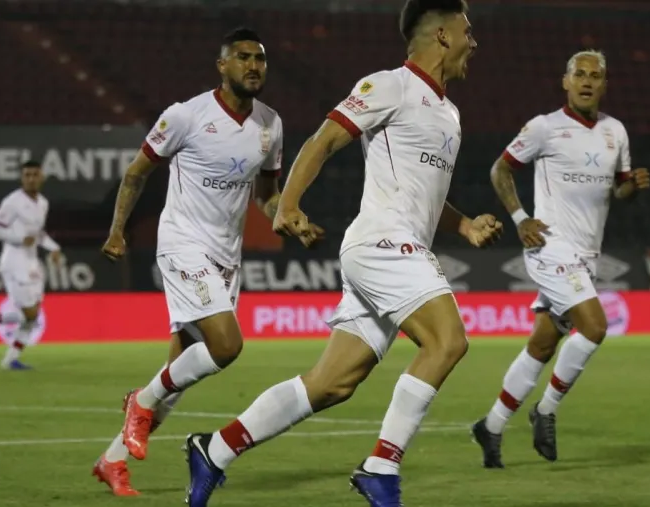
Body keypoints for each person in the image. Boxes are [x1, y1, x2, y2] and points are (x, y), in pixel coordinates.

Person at [180, 1, 501, 506]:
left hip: (400, 248)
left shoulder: (449, 113)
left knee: (331, 384)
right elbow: (325, 139)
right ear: (441, 35)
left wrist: (462, 223)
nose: (474, 41)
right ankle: (381, 468)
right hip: (382, 244)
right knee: (448, 342)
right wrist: (287, 203)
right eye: (467, 30)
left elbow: (424, 195)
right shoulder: (389, 85)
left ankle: (214, 449)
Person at [90, 27, 321, 496]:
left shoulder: (270, 125)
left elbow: (268, 196)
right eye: (242, 57)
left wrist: (291, 219)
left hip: (225, 258)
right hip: (181, 243)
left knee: (177, 376)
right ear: (222, 66)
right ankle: (140, 401)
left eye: (260, 58)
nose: (254, 65)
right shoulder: (185, 116)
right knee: (227, 346)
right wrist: (117, 230)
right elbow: (137, 174)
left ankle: (112, 459)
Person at [471, 50, 650, 468]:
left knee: (543, 343)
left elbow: (619, 191)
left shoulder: (615, 132)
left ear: (604, 85)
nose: (587, 81)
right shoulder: (544, 128)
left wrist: (634, 186)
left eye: (596, 76)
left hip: (587, 254)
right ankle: (546, 410)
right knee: (595, 326)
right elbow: (501, 169)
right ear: (565, 81)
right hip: (549, 247)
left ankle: (492, 426)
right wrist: (519, 218)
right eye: (580, 74)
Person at [0, 160, 63, 370]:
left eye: (34, 174)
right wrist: (19, 238)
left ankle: (8, 356)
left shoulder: (43, 203)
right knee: (29, 315)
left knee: (32, 316)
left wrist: (54, 248)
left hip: (32, 262)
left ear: (42, 177)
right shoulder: (12, 202)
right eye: (27, 175)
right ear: (22, 178)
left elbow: (38, 234)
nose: (31, 178)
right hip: (14, 261)